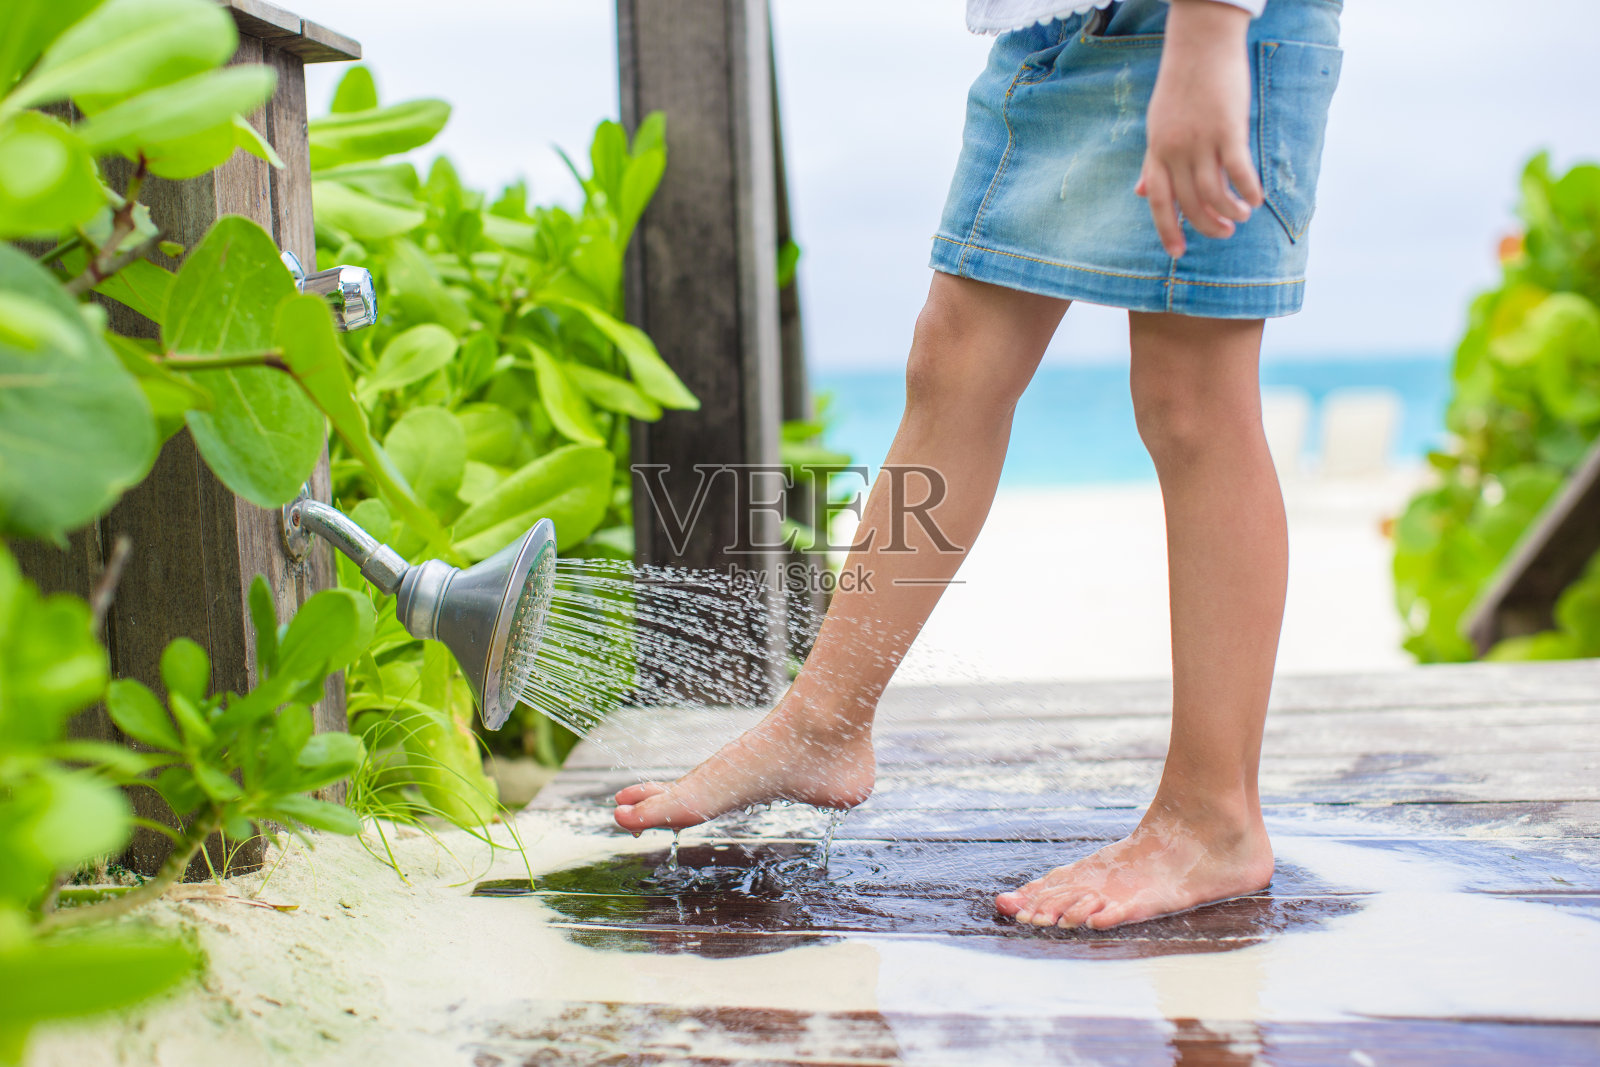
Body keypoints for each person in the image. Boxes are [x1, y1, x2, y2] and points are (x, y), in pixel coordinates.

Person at [614, 0, 1343, 931]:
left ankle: (1214, 818)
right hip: (1054, 30)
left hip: (1204, 28)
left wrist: (1209, 31)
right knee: (951, 358)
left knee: (1192, 399)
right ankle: (825, 720)